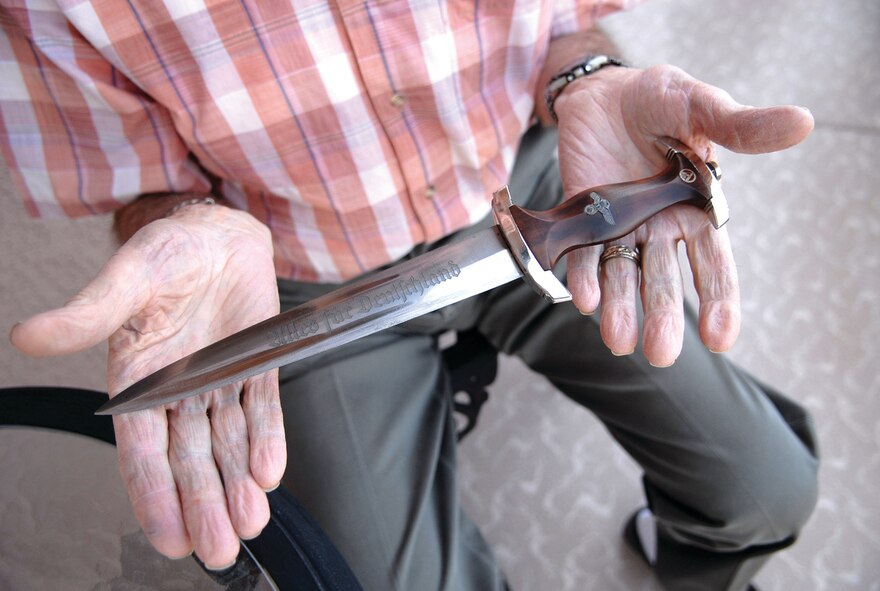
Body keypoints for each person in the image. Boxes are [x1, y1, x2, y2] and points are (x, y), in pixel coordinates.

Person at [1, 1, 819, 589]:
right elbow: (131, 167)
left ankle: (679, 548)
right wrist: (181, 215)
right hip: (295, 273)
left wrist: (589, 72)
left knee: (765, 490)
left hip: (547, 192)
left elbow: (571, 20)